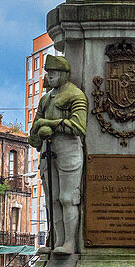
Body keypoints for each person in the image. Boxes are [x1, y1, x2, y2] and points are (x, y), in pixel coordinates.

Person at [28, 55, 87, 255]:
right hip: (47, 150)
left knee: (68, 197)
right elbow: (35, 128)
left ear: (64, 74)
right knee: (51, 199)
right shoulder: (46, 99)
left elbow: (79, 126)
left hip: (68, 148)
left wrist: (50, 125)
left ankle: (69, 242)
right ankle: (55, 240)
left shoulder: (75, 95)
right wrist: (38, 132)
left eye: (54, 73)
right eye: (48, 73)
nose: (50, 76)